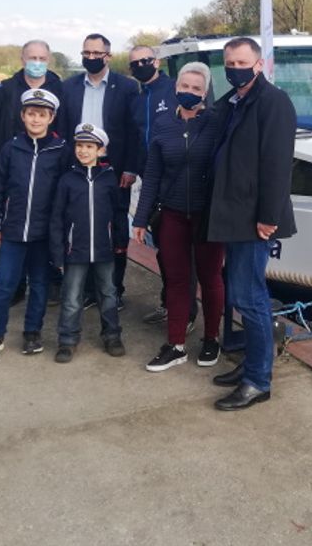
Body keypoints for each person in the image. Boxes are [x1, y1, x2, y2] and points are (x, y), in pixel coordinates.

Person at [206, 37, 297, 410]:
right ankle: (251, 364)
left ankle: (258, 380)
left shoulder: (273, 102)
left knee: (249, 296)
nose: (234, 68)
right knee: (241, 292)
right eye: (228, 62)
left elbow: (277, 164)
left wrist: (268, 217)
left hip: (252, 218)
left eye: (241, 61)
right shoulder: (233, 101)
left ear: (258, 64)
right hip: (231, 213)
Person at [132, 62, 224, 372]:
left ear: (205, 92)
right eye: (185, 86)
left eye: (197, 89)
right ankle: (175, 345)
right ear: (176, 87)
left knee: (211, 278)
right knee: (176, 279)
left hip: (207, 215)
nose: (189, 92)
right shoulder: (162, 123)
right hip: (171, 213)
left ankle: (212, 338)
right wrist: (140, 219)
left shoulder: (216, 122)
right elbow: (153, 174)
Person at [0, 89, 67, 359]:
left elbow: (66, 194)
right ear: (22, 116)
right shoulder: (11, 147)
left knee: (39, 285)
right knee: (4, 283)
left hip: (43, 234)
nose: (36, 120)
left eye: (42, 115)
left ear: (51, 117)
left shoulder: (61, 150)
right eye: (31, 114)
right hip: (14, 230)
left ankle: (32, 332)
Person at [59, 33, 142, 308]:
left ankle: (114, 289)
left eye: (97, 53)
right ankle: (88, 291)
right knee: (81, 227)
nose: (91, 58)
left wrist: (131, 167)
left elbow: (134, 131)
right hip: (78, 170)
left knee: (116, 228)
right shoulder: (68, 87)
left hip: (115, 171)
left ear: (108, 55)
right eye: (87, 53)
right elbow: (61, 130)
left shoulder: (127, 87)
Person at [0, 39, 64, 305]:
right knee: (17, 226)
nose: (36, 62)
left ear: (49, 61)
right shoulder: (7, 89)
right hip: (13, 163)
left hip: (48, 162)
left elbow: (64, 126)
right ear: (22, 59)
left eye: (42, 58)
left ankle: (51, 281)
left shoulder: (60, 89)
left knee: (47, 226)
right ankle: (16, 284)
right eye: (31, 57)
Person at [48, 123, 124, 363]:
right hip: (75, 250)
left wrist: (120, 242)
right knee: (71, 297)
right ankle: (68, 340)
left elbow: (119, 213)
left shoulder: (110, 179)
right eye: (79, 146)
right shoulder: (67, 180)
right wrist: (58, 252)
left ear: (100, 150)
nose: (83, 151)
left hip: (105, 249)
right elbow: (57, 218)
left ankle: (112, 335)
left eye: (89, 146)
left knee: (108, 293)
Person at [129, 44, 185, 327]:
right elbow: (135, 139)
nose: (140, 66)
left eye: (145, 61)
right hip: (150, 183)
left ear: (157, 62)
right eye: (134, 63)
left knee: (181, 254)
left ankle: (187, 314)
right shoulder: (138, 100)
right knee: (163, 250)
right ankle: (168, 303)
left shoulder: (175, 89)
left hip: (176, 182)